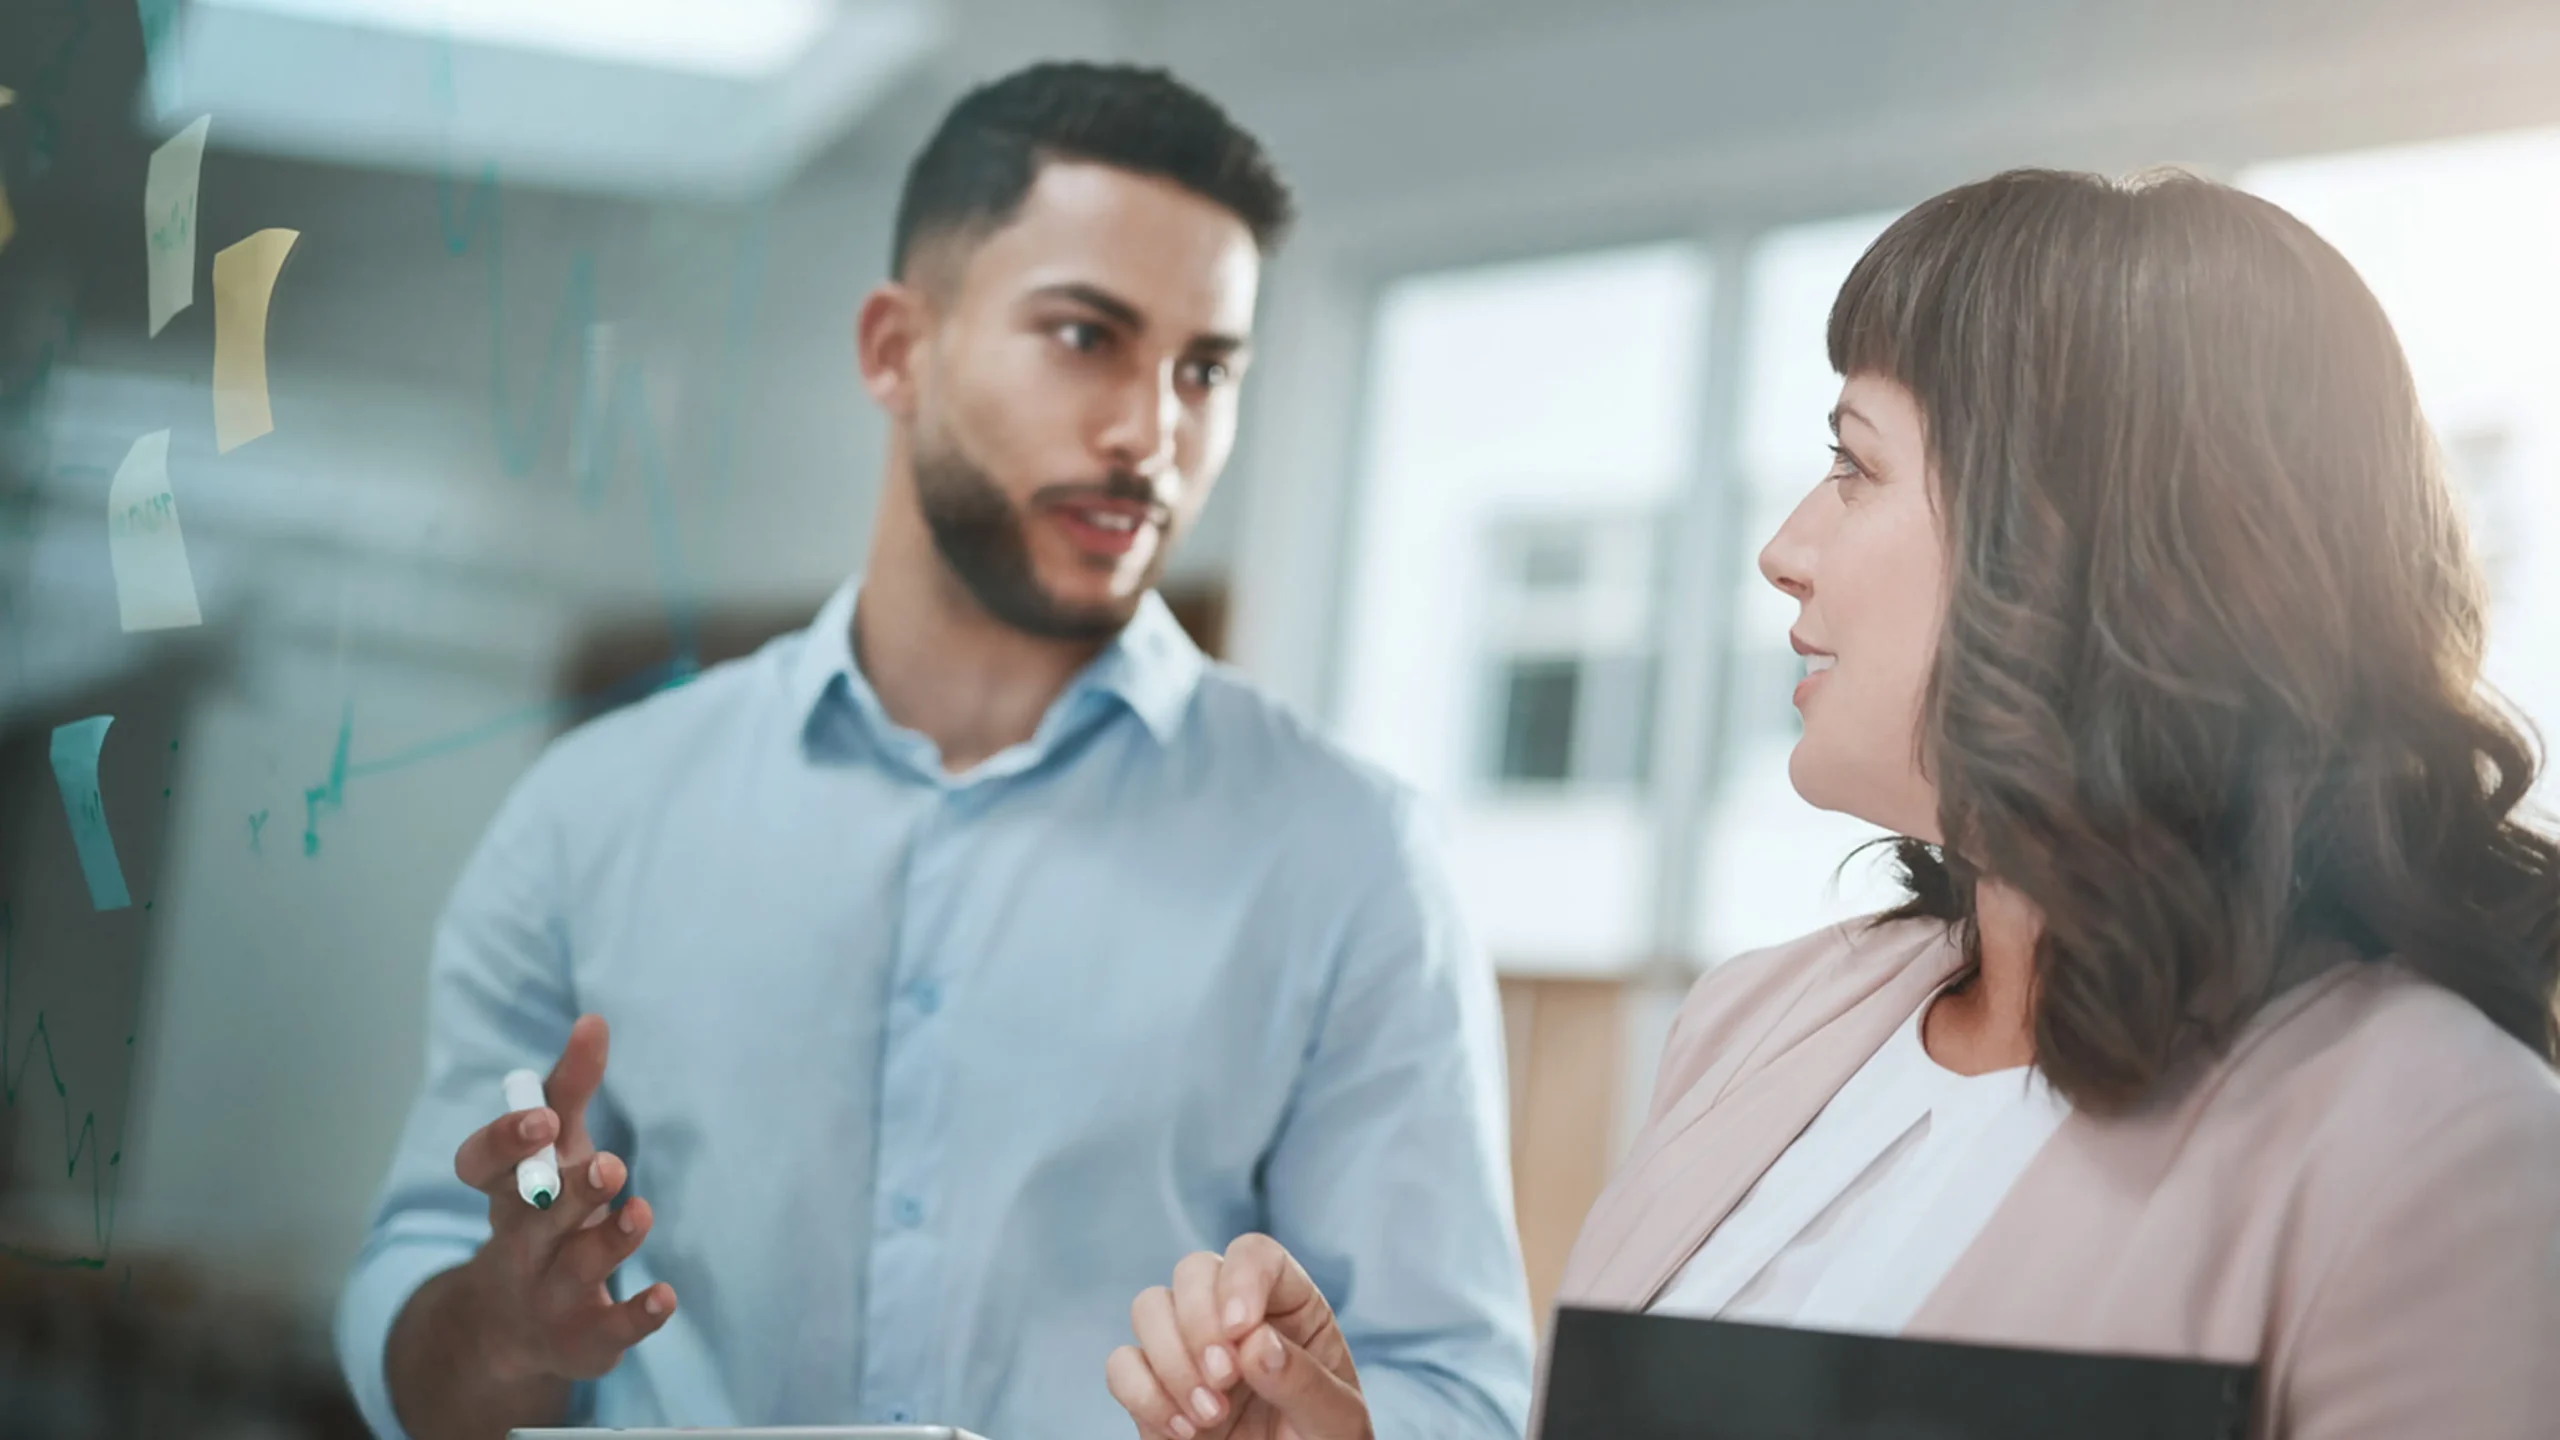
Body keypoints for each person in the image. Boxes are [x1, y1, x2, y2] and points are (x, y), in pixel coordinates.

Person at [1105, 167, 2560, 1440]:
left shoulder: (2435, 1138)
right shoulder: (1761, 1024)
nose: (1786, 550)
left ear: (2074, 551)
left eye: (1855, 466)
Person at [335, 62, 1534, 1440]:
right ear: (896, 348)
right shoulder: (591, 815)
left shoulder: (1353, 863)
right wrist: (499, 1323)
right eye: (1088, 335)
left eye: (1205, 369)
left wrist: (1314, 1428)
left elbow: (1456, 1394)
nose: (1152, 431)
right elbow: (414, 1317)